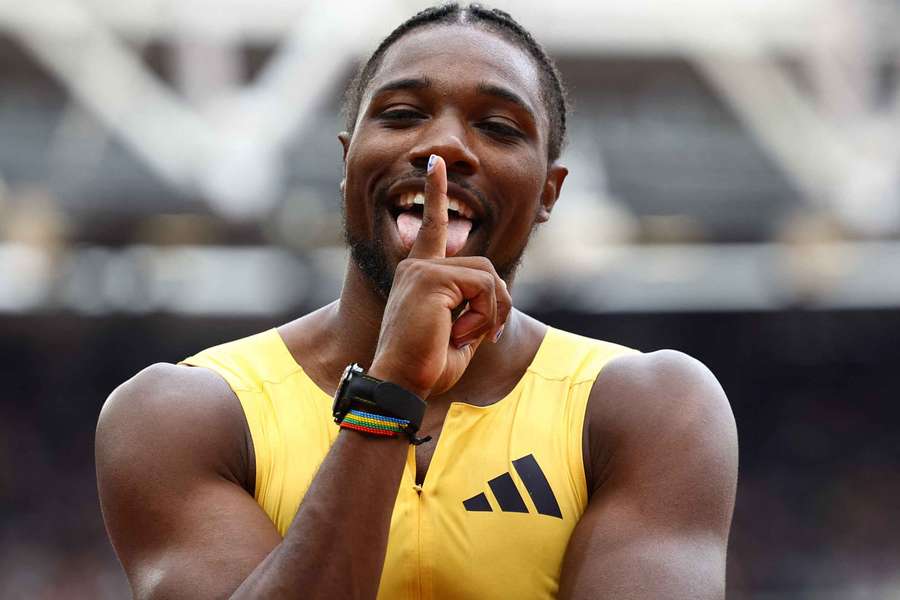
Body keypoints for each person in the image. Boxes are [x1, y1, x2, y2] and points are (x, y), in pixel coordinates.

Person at [95, 4, 738, 599]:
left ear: (548, 193)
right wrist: (391, 390)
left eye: (497, 126)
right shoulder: (184, 413)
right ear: (349, 165)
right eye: (402, 115)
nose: (444, 149)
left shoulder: (653, 408)